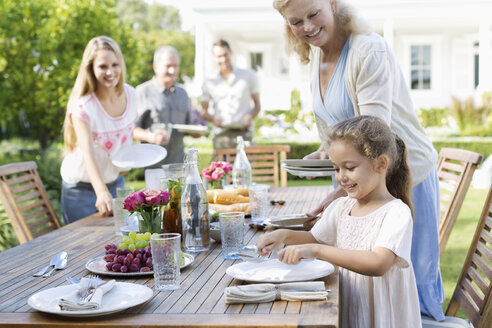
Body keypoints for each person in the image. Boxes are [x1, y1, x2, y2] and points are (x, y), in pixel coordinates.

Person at [273, 0, 444, 320]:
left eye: (313, 14)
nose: (307, 27)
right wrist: (325, 153)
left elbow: (373, 132)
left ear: (333, 4)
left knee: (406, 282)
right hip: (363, 181)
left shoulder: (369, 51)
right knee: (360, 284)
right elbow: (336, 131)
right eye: (296, 22)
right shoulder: (316, 55)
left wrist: (340, 193)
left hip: (400, 177)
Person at [258, 116, 421, 327]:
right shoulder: (342, 207)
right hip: (348, 305)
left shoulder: (396, 213)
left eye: (350, 167)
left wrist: (316, 250)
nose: (341, 177)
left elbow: (378, 264)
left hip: (382, 317)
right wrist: (284, 235)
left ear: (381, 164)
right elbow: (315, 238)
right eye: (336, 169)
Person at [60, 36, 138, 223]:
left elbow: (124, 132)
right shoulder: (83, 107)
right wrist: (101, 192)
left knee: (119, 243)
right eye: (103, 66)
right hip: (82, 190)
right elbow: (88, 154)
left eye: (115, 65)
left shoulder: (131, 94)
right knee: (84, 249)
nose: (110, 72)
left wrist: (150, 137)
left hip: (116, 183)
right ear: (91, 69)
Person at [133, 46, 197, 166]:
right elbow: (131, 130)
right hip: (153, 165)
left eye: (175, 66)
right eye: (168, 66)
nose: (172, 71)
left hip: (179, 164)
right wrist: (150, 136)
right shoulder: (142, 92)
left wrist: (197, 131)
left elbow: (189, 125)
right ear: (155, 66)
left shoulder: (183, 94)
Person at [200, 40, 261, 149]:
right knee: (221, 166)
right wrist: (213, 119)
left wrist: (250, 116)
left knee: (245, 166)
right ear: (214, 57)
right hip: (221, 136)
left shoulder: (248, 75)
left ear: (230, 53)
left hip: (244, 134)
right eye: (219, 56)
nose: (223, 59)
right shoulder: (208, 81)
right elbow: (204, 112)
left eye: (225, 55)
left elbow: (257, 104)